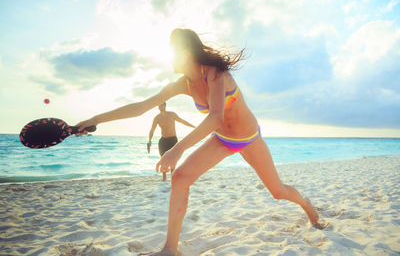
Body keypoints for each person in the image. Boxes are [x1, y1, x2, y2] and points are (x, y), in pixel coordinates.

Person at [76, 28, 321, 256]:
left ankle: (305, 203)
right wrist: (94, 119)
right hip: (223, 139)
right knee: (180, 177)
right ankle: (171, 249)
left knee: (278, 192)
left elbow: (216, 117)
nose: (169, 59)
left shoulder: (215, 74)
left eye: (172, 52)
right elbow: (141, 107)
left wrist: (176, 149)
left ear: (184, 53)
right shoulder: (183, 84)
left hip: (248, 138)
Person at [148, 102, 195, 181]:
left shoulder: (172, 114)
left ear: (165, 105)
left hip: (173, 139)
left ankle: (173, 177)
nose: (160, 106)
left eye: (161, 105)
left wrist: (194, 127)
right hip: (163, 140)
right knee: (163, 159)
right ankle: (164, 179)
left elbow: (182, 121)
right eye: (158, 105)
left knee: (173, 160)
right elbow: (152, 130)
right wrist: (149, 140)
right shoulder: (157, 118)